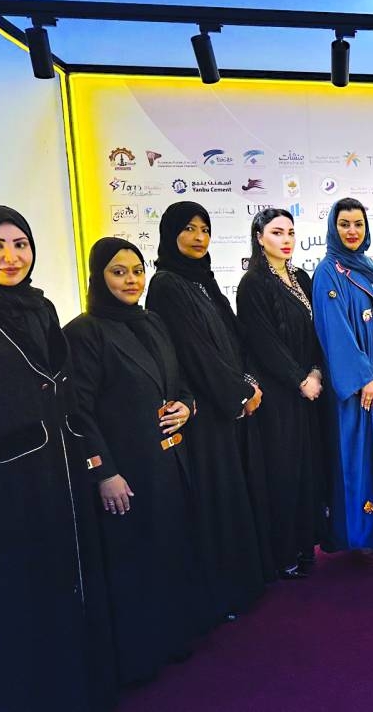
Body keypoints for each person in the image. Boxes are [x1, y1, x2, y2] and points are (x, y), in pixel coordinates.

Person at [0, 205, 115, 711]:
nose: (11, 257)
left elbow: (62, 390)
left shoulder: (40, 308)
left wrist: (89, 461)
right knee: (6, 599)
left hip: (52, 477)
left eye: (20, 245)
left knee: (52, 588)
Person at [64, 237, 204, 684]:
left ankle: (174, 637)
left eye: (137, 270)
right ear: (98, 276)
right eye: (118, 271)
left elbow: (178, 382)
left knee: (170, 550)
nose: (131, 280)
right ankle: (139, 658)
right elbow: (77, 412)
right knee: (133, 562)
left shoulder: (153, 321)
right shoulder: (84, 332)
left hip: (168, 463)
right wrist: (104, 472)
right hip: (126, 470)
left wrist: (187, 406)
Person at [146, 201, 270, 619]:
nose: (199, 237)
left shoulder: (202, 279)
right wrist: (239, 394)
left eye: (204, 229)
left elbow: (233, 339)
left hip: (228, 404)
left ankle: (244, 584)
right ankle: (223, 594)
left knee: (235, 493)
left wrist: (249, 383)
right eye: (189, 228)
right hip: (204, 411)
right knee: (216, 500)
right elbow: (193, 352)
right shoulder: (166, 284)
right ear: (170, 233)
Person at [311, 198, 373, 560]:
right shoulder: (328, 271)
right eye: (344, 224)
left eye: (358, 224)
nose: (352, 231)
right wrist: (363, 376)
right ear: (333, 228)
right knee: (359, 453)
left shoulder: (368, 267)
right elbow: (333, 329)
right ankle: (361, 534)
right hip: (356, 382)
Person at [237, 208, 325, 579]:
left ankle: (305, 546)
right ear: (259, 237)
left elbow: (318, 330)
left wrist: (316, 372)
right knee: (283, 471)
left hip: (309, 389)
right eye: (276, 232)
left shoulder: (301, 277)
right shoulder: (253, 283)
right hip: (278, 394)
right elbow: (263, 342)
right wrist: (298, 380)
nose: (286, 239)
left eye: (290, 232)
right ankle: (282, 552)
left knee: (307, 469)